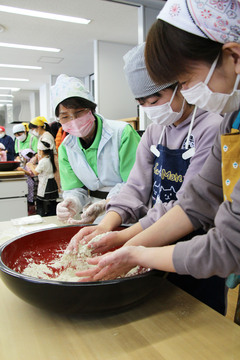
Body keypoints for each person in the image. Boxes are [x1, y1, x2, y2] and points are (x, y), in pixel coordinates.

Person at [67, 42, 225, 313]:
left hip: (196, 245)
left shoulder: (210, 127)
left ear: (180, 87)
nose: (150, 108)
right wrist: (108, 226)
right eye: (142, 103)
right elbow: (135, 189)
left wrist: (126, 240)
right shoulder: (154, 132)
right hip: (154, 240)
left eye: (155, 100)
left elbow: (187, 205)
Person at [51, 74, 140, 224]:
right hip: (93, 214)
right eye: (65, 116)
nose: (73, 120)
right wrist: (73, 201)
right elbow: (74, 188)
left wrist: (107, 203)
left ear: (91, 110)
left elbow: (135, 182)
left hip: (129, 209)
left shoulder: (122, 133)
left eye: (78, 113)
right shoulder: (66, 147)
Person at [27, 139, 58, 217]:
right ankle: (52, 216)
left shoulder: (43, 161)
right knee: (52, 202)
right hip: (52, 182)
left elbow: (36, 172)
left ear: (41, 151)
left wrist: (30, 165)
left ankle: (42, 216)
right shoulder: (49, 159)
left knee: (40, 202)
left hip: (46, 184)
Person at [17, 148, 37, 215]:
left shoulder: (29, 164)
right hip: (28, 183)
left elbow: (31, 174)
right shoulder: (27, 163)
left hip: (31, 183)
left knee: (31, 197)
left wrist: (23, 171)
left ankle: (32, 210)